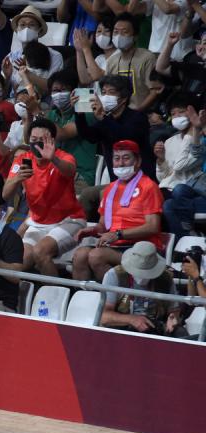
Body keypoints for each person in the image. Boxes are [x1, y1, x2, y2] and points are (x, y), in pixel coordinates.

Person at [3, 118, 85, 276]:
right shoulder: (22, 160)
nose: (37, 144)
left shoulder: (64, 157)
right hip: (37, 223)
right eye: (33, 140)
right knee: (19, 261)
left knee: (40, 252)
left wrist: (52, 158)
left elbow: (70, 171)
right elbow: (5, 194)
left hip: (69, 220)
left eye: (43, 140)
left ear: (52, 140)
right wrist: (17, 179)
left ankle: (57, 296)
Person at [72, 140, 164, 281]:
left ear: (138, 161)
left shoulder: (149, 187)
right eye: (116, 158)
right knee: (80, 255)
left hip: (141, 247)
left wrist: (118, 234)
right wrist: (92, 230)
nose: (120, 163)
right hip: (116, 245)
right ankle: (88, 299)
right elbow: (103, 225)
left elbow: (152, 226)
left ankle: (118, 300)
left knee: (96, 256)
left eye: (126, 158)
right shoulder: (109, 189)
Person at [73, 74, 154, 220]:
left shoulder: (138, 118)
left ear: (123, 98)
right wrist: (79, 115)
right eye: (103, 92)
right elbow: (90, 136)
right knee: (87, 195)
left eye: (110, 92)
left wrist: (103, 118)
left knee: (105, 194)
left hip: (141, 183)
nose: (104, 96)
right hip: (117, 182)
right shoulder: (107, 119)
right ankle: (84, 232)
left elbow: (125, 138)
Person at [100, 241, 184, 337]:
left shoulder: (165, 278)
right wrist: (131, 319)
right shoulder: (114, 275)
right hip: (123, 329)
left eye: (147, 272)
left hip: (155, 327)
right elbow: (103, 316)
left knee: (180, 333)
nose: (143, 276)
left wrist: (173, 318)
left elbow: (174, 310)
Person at [46, 69, 98, 193]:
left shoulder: (86, 111)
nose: (59, 94)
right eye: (55, 91)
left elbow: (62, 133)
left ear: (74, 92)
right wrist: (29, 115)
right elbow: (29, 138)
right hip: (56, 171)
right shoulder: (52, 114)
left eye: (63, 90)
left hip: (80, 175)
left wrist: (37, 112)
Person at [162, 105, 206, 238]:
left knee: (170, 205)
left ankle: (188, 235)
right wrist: (197, 128)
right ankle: (189, 236)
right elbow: (196, 151)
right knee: (178, 192)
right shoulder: (201, 137)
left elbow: (179, 166)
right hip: (200, 188)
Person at [100, 13, 157, 111]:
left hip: (140, 112)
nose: (119, 36)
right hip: (115, 112)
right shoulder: (111, 61)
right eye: (116, 32)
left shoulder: (147, 57)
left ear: (135, 36)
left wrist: (138, 111)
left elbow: (154, 91)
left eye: (124, 32)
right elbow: (105, 91)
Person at [1, 6, 64, 95]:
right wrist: (7, 77)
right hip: (14, 104)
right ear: (17, 30)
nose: (26, 29)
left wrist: (28, 74)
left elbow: (54, 88)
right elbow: (2, 94)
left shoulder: (54, 56)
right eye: (22, 25)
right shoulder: (10, 57)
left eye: (31, 25)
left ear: (40, 30)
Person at [157, 92, 204, 198]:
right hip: (167, 189)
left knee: (178, 191)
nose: (176, 117)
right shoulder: (169, 142)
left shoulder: (200, 140)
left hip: (188, 190)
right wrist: (161, 160)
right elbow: (162, 178)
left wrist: (189, 135)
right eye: (173, 114)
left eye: (181, 112)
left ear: (194, 113)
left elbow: (179, 167)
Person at [156, 30, 206, 98]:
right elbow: (161, 68)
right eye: (205, 43)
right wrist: (170, 45)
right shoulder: (192, 66)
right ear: (199, 47)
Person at [72, 19, 117, 86]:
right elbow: (85, 80)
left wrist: (86, 48)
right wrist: (79, 51)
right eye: (99, 31)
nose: (102, 34)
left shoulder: (119, 56)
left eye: (107, 31)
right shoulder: (100, 58)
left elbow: (97, 76)